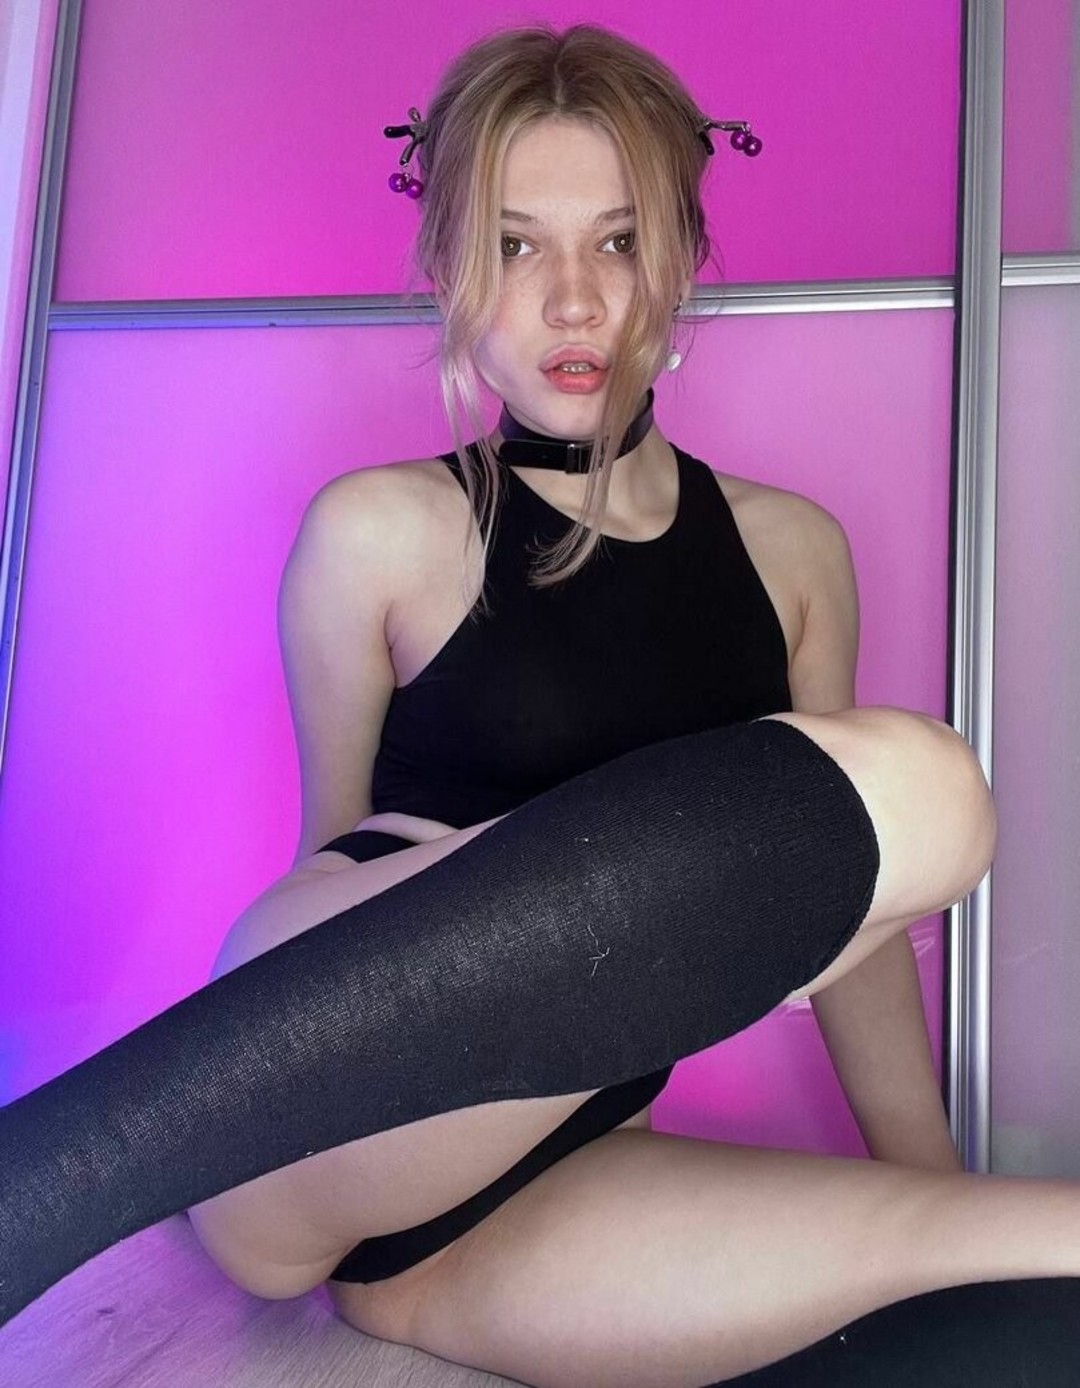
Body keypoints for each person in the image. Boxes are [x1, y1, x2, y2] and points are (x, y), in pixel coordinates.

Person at [0, 21, 1075, 1388]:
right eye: (514, 247)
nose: (572, 301)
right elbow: (331, 855)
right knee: (930, 788)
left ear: (677, 259)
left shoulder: (794, 553)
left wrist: (930, 1185)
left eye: (617, 243)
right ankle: (41, 1185)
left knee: (1032, 1263)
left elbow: (844, 919)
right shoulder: (380, 530)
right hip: (322, 1118)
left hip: (538, 1188)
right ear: (450, 265)